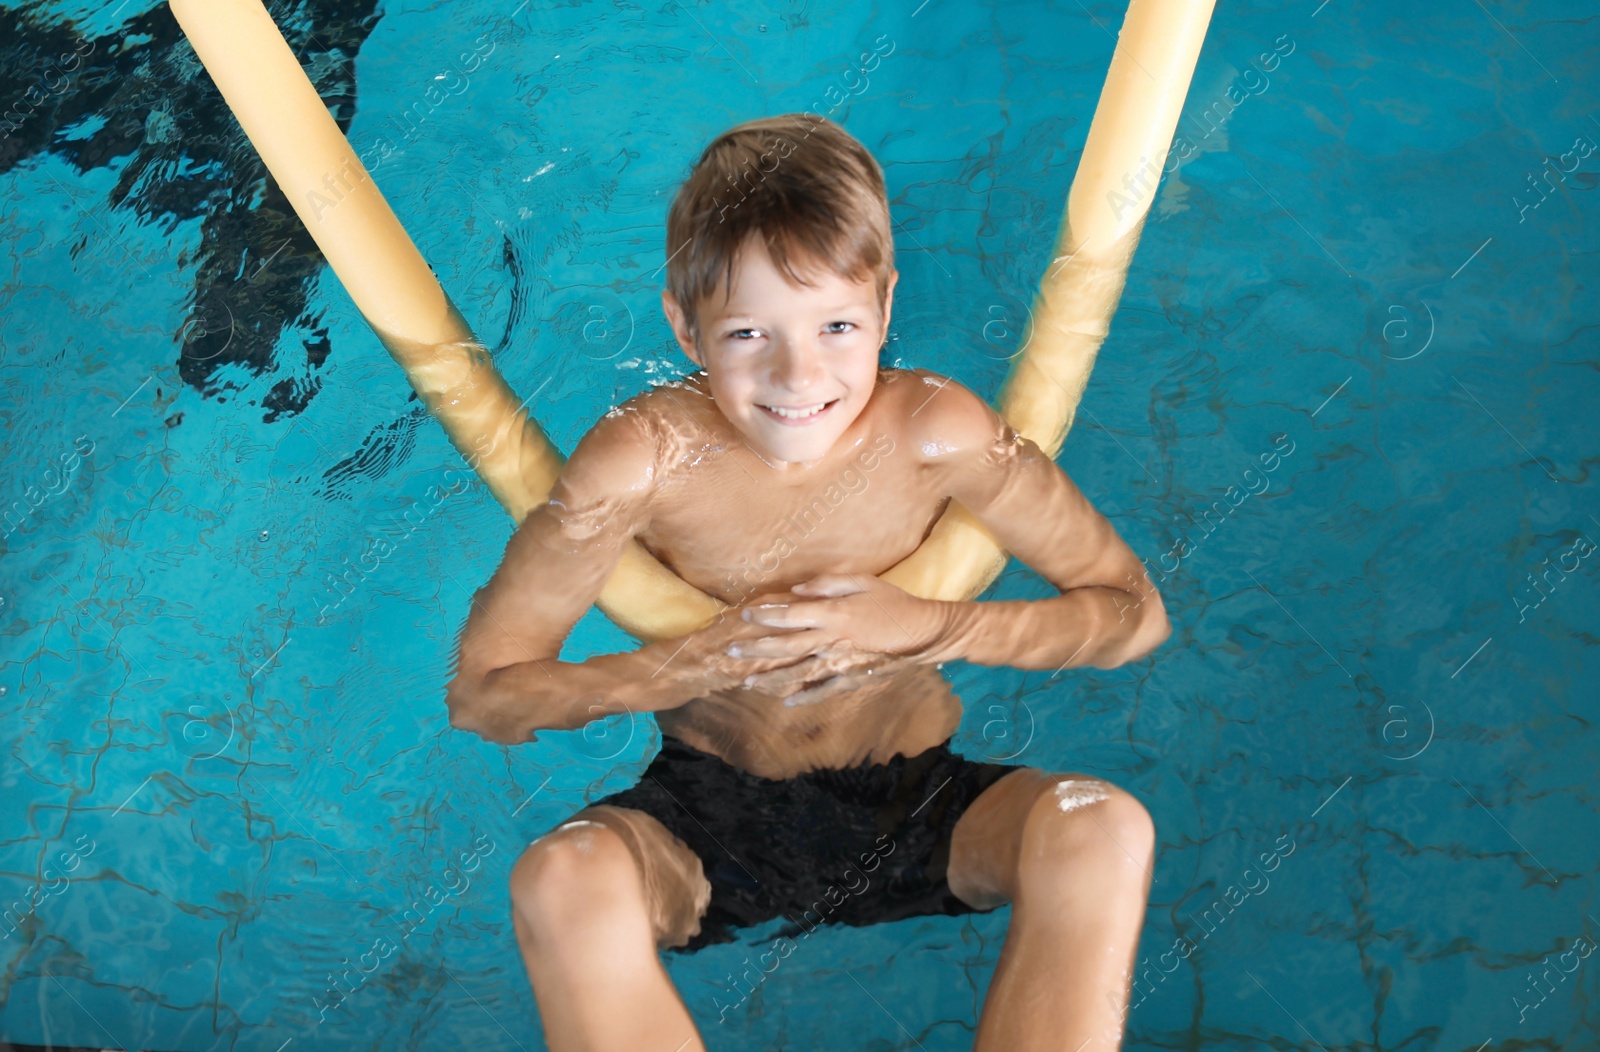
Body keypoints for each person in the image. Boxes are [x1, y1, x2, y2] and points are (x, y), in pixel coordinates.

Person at [443, 112, 1171, 1051]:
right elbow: (484, 694)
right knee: (560, 879)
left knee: (1102, 826)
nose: (800, 376)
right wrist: (677, 669)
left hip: (917, 797)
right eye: (749, 332)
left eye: (837, 325)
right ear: (684, 324)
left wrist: (928, 626)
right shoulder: (643, 463)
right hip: (709, 814)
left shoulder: (936, 434)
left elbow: (1130, 613)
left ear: (885, 307)